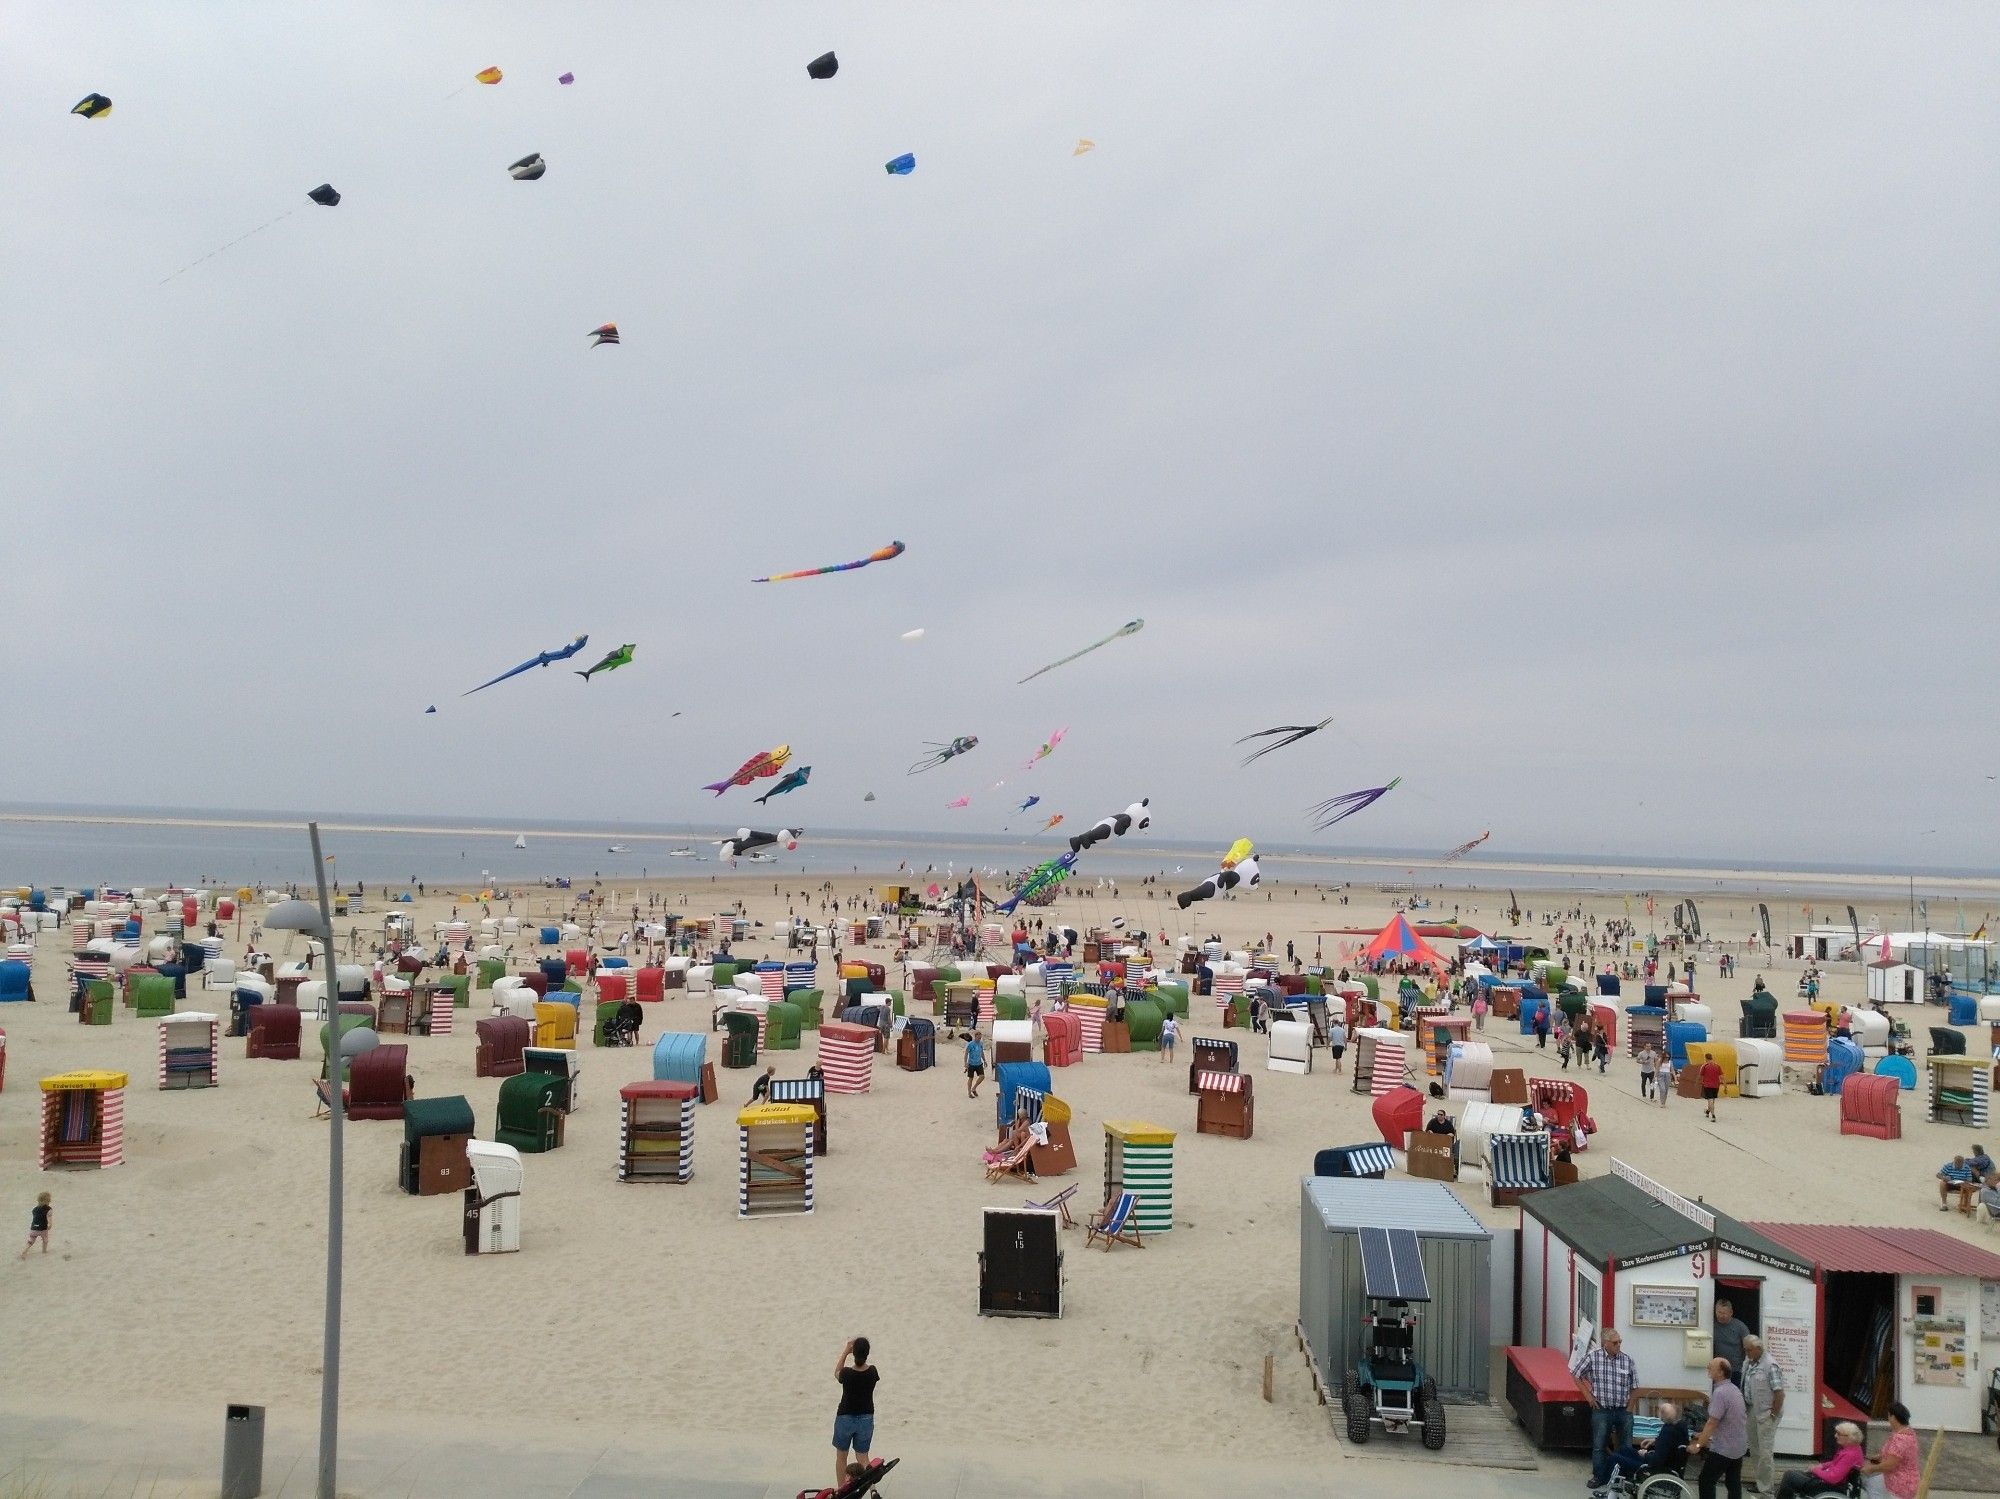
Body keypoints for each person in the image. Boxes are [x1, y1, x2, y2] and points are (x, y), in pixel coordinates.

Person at [1575, 1329, 1639, 1490]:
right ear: (1605, 1343)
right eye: (1615, 1343)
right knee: (1599, 1445)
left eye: (1620, 1342)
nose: (1619, 1345)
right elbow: (1576, 1374)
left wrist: (1630, 1408)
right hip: (1602, 1409)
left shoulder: (1627, 1360)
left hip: (1622, 1410)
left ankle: (1625, 1477)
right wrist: (1589, 1397)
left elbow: (1635, 1387)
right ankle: (1599, 1476)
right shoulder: (1593, 1357)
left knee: (1626, 1445)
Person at [1594, 1400, 1690, 1496]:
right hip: (1667, 1466)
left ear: (1663, 1415)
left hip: (1655, 1469)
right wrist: (1655, 1440)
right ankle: (1616, 1488)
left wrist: (1645, 1454)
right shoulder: (1680, 1426)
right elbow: (1670, 1443)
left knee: (1615, 1458)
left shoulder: (1667, 1431)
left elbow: (1657, 1460)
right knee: (1623, 1449)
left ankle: (1609, 1492)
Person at [1689, 1356, 1748, 1499]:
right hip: (1738, 1446)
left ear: (1721, 1372)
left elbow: (1712, 1422)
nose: (1708, 1367)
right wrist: (1702, 1434)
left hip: (1724, 1448)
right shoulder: (1734, 1389)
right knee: (1733, 1482)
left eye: (1711, 1366)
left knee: (1706, 1480)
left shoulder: (1720, 1392)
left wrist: (1698, 1444)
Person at [1739, 1333, 1784, 1493]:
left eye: (1749, 1350)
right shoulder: (1749, 1362)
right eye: (1745, 1350)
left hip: (1766, 1412)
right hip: (1752, 1409)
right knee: (1754, 1447)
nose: (1747, 1353)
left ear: (1759, 1349)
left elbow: (1779, 1393)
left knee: (1765, 1451)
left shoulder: (1770, 1365)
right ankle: (1760, 1482)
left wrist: (1772, 1415)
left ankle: (1766, 1489)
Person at [832, 1336, 879, 1487]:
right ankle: (872, 1488)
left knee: (841, 1456)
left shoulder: (846, 1374)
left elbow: (837, 1372)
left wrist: (846, 1351)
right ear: (867, 1354)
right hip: (865, 1418)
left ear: (854, 1354)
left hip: (845, 1417)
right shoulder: (872, 1372)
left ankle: (841, 1489)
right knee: (863, 1458)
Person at [1771, 1420, 1865, 1497]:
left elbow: (1833, 1478)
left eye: (1839, 1434)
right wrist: (1822, 1465)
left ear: (1849, 1437)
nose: (1835, 1436)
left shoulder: (1849, 1455)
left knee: (1790, 1476)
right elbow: (1835, 1463)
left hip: (1830, 1486)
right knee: (1794, 1475)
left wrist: (1815, 1470)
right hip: (1832, 1482)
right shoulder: (1853, 1449)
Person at [1861, 1401, 1919, 1499]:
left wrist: (1871, 1468)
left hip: (1901, 1483)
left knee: (1872, 1485)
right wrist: (1878, 1457)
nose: (1888, 1419)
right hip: (1902, 1476)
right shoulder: (1907, 1432)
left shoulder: (1900, 1439)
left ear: (1893, 1417)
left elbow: (1890, 1465)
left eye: (1888, 1416)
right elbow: (1892, 1453)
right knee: (1872, 1483)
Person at [1712, 1300, 1750, 1386]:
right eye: (1719, 1312)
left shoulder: (1740, 1327)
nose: (1721, 1316)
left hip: (1736, 1371)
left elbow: (1749, 1347)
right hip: (1718, 1370)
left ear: (1731, 1312)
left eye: (1724, 1313)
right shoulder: (1711, 1325)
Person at [19, 1192, 51, 1259]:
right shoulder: (49, 1209)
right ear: (45, 1201)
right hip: (43, 1229)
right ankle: (44, 1251)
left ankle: (25, 1250)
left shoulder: (34, 1209)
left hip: (33, 1228)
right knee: (45, 1240)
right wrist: (50, 1224)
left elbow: (36, 1217)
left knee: (31, 1240)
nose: (50, 1201)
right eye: (49, 1200)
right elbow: (49, 1218)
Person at [1700, 1053, 1724, 1121]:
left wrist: (1700, 1083)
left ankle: (1713, 1116)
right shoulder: (1717, 1066)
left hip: (1707, 1085)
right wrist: (1725, 1087)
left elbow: (1701, 1076)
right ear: (1712, 1058)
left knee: (1710, 1100)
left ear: (1706, 1058)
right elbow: (1722, 1076)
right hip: (1716, 1086)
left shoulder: (1704, 1066)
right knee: (1712, 1100)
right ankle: (1707, 1112)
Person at [964, 1033, 985, 1098]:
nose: (979, 1039)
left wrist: (984, 1060)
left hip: (979, 1063)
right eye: (978, 1038)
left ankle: (974, 1088)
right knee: (971, 1078)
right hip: (971, 1064)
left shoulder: (981, 1043)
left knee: (982, 1076)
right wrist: (965, 1063)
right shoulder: (970, 1044)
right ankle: (969, 1093)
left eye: (980, 1038)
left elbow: (982, 1052)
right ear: (975, 1037)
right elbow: (966, 1053)